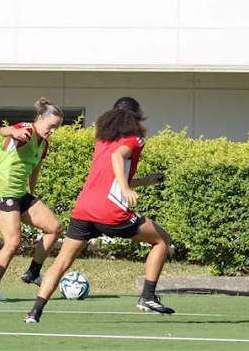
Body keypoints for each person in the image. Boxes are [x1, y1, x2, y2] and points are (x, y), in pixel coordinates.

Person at [24, 96, 174, 323]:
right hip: (111, 212)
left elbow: (111, 176)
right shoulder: (135, 139)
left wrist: (144, 181)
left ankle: (35, 312)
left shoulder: (102, 141)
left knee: (62, 262)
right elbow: (118, 160)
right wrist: (125, 189)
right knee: (162, 239)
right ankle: (148, 297)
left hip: (84, 209)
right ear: (137, 117)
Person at [0, 97, 64, 301]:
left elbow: (34, 169)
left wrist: (32, 194)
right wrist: (13, 132)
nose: (52, 131)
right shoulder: (26, 130)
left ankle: (33, 273)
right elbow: (2, 131)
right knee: (13, 242)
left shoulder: (43, 143)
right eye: (51, 126)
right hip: (2, 192)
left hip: (20, 193)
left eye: (57, 128)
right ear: (40, 118)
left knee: (54, 228)